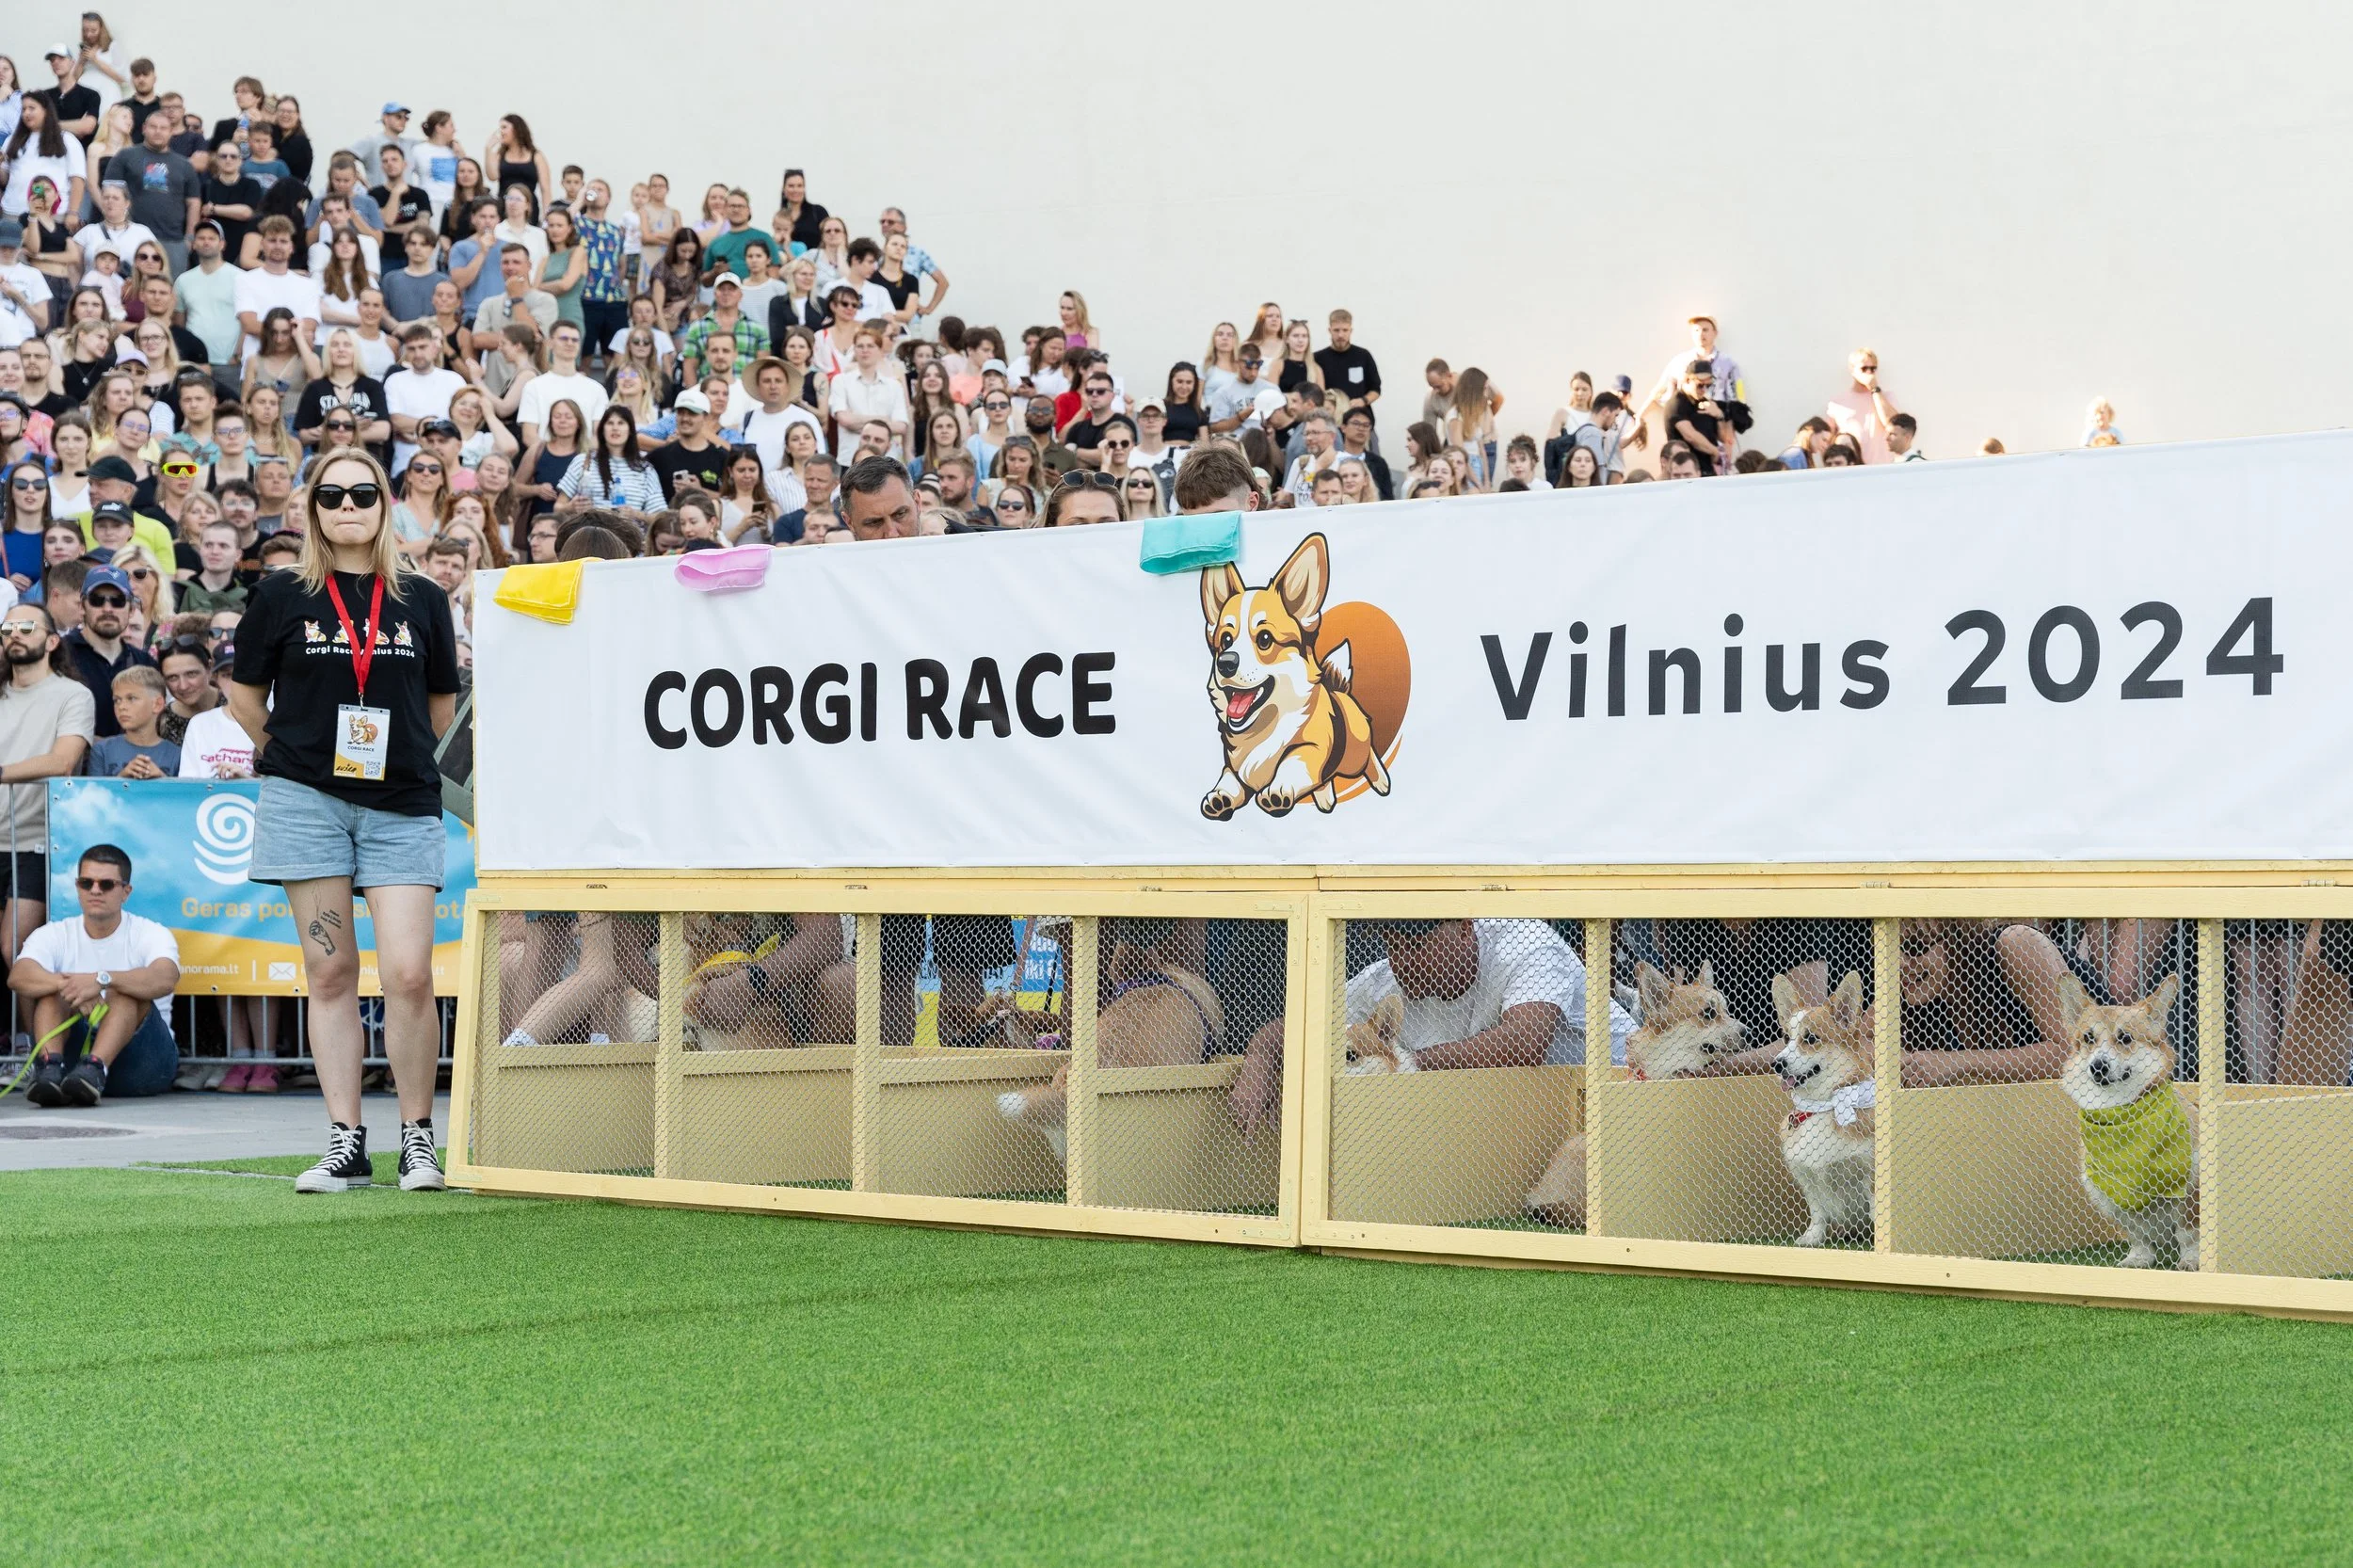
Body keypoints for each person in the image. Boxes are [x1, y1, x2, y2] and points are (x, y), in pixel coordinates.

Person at [227, 446, 459, 1193]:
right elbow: (244, 696)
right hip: (306, 800)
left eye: (364, 493)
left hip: (401, 803)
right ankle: (345, 1141)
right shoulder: (281, 594)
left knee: (409, 973)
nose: (349, 506)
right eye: (333, 495)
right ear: (313, 508)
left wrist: (394, 760)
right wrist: (292, 756)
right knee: (330, 972)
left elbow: (440, 707)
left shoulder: (422, 597)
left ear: (386, 503)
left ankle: (418, 1139)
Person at [1229, 918, 1633, 1139]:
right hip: (1525, 1129)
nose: (1403, 958)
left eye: (1417, 944)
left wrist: (1405, 1064)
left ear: (1462, 927)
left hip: (1629, 1103)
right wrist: (1262, 1058)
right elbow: (1297, 1025)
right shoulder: (1385, 983)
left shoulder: (1526, 942)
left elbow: (1523, 1042)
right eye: (1392, 943)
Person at [11, 842, 180, 1106]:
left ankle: (95, 1068)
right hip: (71, 1066)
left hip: (143, 1061)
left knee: (123, 991)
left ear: (126, 891)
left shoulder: (151, 932)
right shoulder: (55, 933)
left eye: (107, 884)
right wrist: (72, 986)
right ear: (77, 887)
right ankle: (49, 1069)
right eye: (86, 883)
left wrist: (100, 980)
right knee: (54, 991)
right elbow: (19, 976)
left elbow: (166, 977)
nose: (96, 890)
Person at [0, 600, 94, 964]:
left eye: (26, 628)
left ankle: (38, 1026)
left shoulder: (73, 694)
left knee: (19, 950)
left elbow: (63, 761)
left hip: (37, 840)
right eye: (8, 630)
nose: (15, 636)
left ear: (53, 642)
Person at [62, 561, 155, 736]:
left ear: (131, 609)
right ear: (82, 606)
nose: (107, 609)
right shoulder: (58, 655)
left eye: (117, 601)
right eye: (97, 600)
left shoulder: (145, 663)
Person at [90, 662, 178, 776]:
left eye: (131, 698)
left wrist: (161, 780)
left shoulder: (177, 755)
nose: (121, 707)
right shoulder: (102, 751)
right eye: (117, 700)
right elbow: (92, 793)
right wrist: (123, 778)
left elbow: (185, 794)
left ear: (157, 704)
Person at [1826, 348, 1901, 465]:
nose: (1869, 372)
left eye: (1873, 369)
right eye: (1864, 368)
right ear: (1852, 369)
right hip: (1851, 468)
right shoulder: (1838, 402)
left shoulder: (1886, 397)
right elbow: (1828, 442)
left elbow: (1893, 426)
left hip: (1882, 466)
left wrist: (1875, 389)